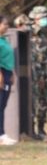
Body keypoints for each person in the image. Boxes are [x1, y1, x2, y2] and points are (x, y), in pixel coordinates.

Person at [28, 6, 47, 140]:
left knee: (46, 101)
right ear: (35, 18)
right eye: (42, 16)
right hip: (35, 74)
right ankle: (31, 130)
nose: (45, 19)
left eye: (46, 16)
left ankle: (41, 128)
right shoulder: (29, 33)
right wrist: (38, 76)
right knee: (34, 101)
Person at [0, 16, 17, 146]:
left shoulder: (4, 40)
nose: (7, 26)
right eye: (4, 24)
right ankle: (1, 135)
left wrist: (11, 73)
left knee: (3, 105)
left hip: (6, 73)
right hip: (1, 74)